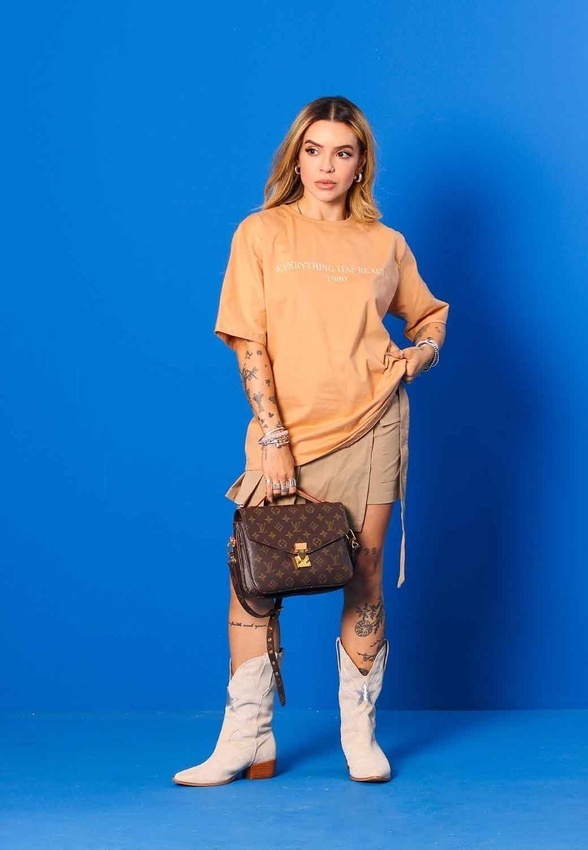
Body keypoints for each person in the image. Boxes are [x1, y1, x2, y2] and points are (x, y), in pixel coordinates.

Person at [173, 95, 449, 787]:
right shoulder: (262, 233)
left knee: (364, 569)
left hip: (373, 423)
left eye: (342, 153)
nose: (326, 166)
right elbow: (249, 341)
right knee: (255, 582)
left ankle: (360, 734)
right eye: (313, 150)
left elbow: (428, 317)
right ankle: (247, 737)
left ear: (361, 165)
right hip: (287, 432)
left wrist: (417, 355)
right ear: (296, 158)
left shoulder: (384, 244)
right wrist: (273, 435)